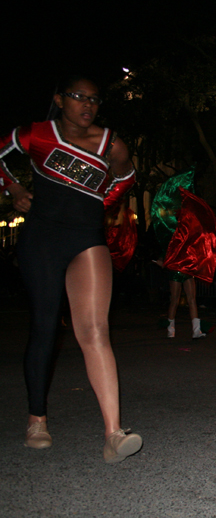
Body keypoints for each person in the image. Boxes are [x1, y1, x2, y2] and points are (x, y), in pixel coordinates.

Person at [0, 75, 143, 463]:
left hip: (87, 238)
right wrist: (12, 189)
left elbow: (127, 177)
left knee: (95, 328)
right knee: (46, 325)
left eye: (95, 100)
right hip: (42, 240)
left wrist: (101, 199)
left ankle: (113, 432)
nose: (87, 105)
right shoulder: (35, 134)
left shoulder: (111, 143)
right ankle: (36, 418)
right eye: (79, 97)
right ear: (59, 99)